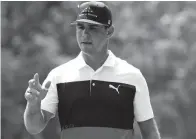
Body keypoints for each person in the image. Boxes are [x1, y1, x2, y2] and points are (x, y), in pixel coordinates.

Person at [24, 1, 161, 139]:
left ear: (109, 31)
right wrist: (33, 105)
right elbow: (34, 127)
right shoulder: (58, 75)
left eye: (93, 28)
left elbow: (150, 132)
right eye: (80, 27)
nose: (85, 33)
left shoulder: (133, 76)